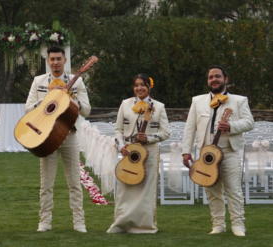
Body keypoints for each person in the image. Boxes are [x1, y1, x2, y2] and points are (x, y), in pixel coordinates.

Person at [181, 66, 254, 237]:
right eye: (210, 77)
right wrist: (186, 151)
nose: (214, 80)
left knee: (234, 190)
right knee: (212, 192)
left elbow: (250, 122)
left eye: (217, 76)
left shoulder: (239, 101)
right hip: (206, 155)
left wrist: (231, 126)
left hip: (229, 152)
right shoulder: (197, 101)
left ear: (225, 79)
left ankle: (238, 225)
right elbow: (189, 128)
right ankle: (218, 224)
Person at [25, 46, 91, 233]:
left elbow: (86, 109)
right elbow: (28, 108)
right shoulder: (38, 81)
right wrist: (46, 100)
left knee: (74, 183)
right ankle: (44, 221)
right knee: (46, 183)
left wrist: (71, 98)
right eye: (52, 59)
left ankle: (79, 222)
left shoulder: (75, 82)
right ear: (48, 61)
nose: (55, 62)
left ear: (65, 60)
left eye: (58, 59)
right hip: (47, 137)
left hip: (70, 135)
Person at [107, 74, 170, 234]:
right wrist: (121, 146)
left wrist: (148, 138)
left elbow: (165, 132)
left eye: (143, 85)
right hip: (129, 152)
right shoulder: (125, 104)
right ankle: (121, 224)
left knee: (146, 191)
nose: (139, 88)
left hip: (149, 153)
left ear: (149, 87)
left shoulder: (159, 107)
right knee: (124, 189)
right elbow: (118, 130)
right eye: (136, 85)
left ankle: (145, 226)